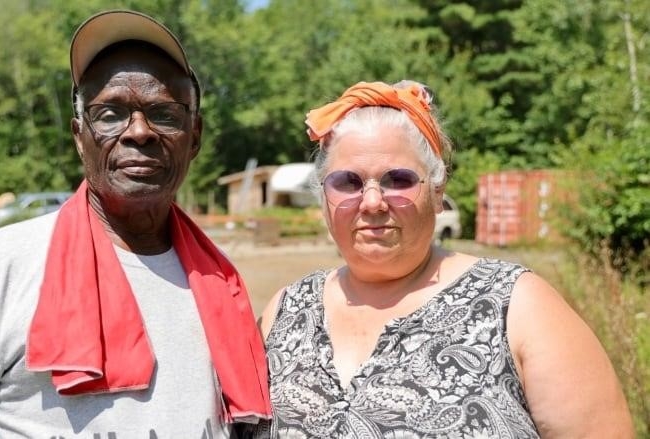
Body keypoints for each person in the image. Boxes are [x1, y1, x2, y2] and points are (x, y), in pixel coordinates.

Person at [0, 9, 270, 438]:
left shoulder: (219, 280)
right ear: (78, 136)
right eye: (110, 114)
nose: (140, 131)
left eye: (165, 113)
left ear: (194, 137)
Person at [256, 80, 634, 438]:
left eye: (397, 180)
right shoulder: (286, 310)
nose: (372, 202)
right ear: (324, 199)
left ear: (438, 192)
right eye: (348, 183)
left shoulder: (515, 304)